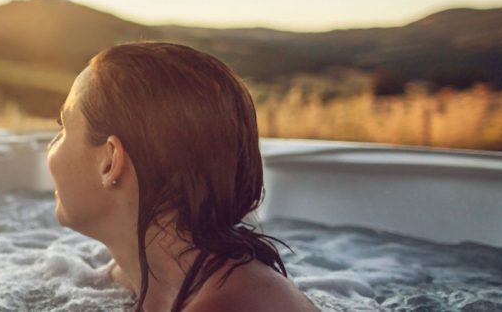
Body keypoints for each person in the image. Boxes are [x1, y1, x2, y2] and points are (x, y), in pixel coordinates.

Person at [45, 42, 319, 311]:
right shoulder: (133, 276)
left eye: (63, 128)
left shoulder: (238, 303)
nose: (50, 147)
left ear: (110, 161)